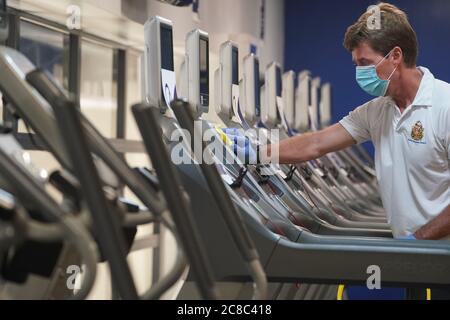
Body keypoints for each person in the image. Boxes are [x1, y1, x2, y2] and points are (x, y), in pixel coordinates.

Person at [225, 3, 450, 299]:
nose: (360, 73)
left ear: (395, 56)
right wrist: (257, 152)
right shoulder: (376, 112)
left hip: (437, 257)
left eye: (365, 63)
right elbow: (315, 144)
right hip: (418, 259)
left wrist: (417, 241)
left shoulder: (444, 105)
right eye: (356, 64)